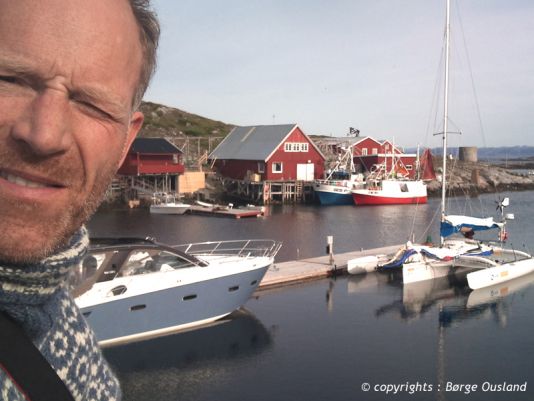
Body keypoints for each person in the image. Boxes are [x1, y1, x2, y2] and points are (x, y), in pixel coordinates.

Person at [0, 0, 160, 399]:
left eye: (91, 105)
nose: (44, 135)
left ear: (126, 143)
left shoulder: (71, 341)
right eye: (10, 79)